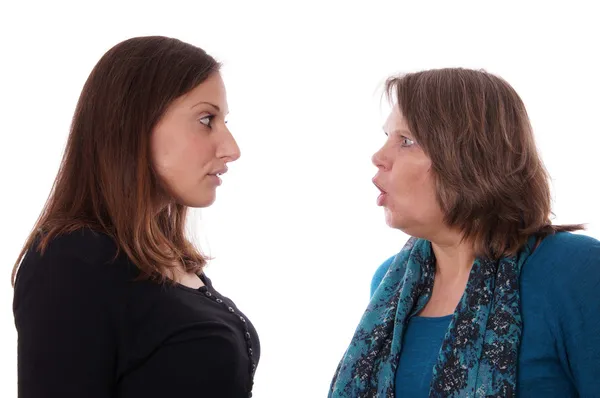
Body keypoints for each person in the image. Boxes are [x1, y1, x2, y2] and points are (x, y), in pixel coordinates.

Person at [12, 36, 259, 398]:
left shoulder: (163, 253)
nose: (231, 148)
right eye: (207, 119)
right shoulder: (71, 260)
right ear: (134, 124)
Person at [329, 68, 600, 397]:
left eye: (406, 141)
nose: (379, 157)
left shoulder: (573, 270)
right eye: (386, 137)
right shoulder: (391, 285)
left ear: (469, 158)